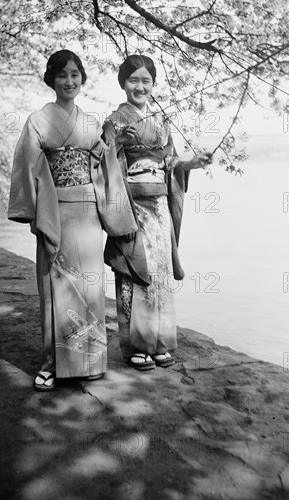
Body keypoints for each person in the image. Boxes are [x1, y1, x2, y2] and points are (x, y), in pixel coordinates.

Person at [8, 50, 137, 391]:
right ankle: (52, 362)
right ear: (51, 79)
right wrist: (35, 210)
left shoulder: (90, 123)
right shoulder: (37, 120)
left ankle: (90, 361)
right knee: (56, 284)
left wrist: (111, 146)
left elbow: (104, 166)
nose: (69, 81)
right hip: (55, 208)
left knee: (90, 286)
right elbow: (29, 167)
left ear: (82, 79)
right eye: (62, 75)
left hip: (89, 212)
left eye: (75, 75)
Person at [104, 54, 213, 371]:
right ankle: (135, 345)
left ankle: (161, 342)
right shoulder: (114, 121)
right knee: (135, 272)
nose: (139, 86)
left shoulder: (162, 120)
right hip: (130, 205)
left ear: (153, 84)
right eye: (133, 80)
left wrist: (191, 164)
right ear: (123, 83)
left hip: (160, 206)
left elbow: (171, 163)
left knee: (160, 273)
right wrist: (117, 143)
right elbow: (102, 161)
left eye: (145, 81)